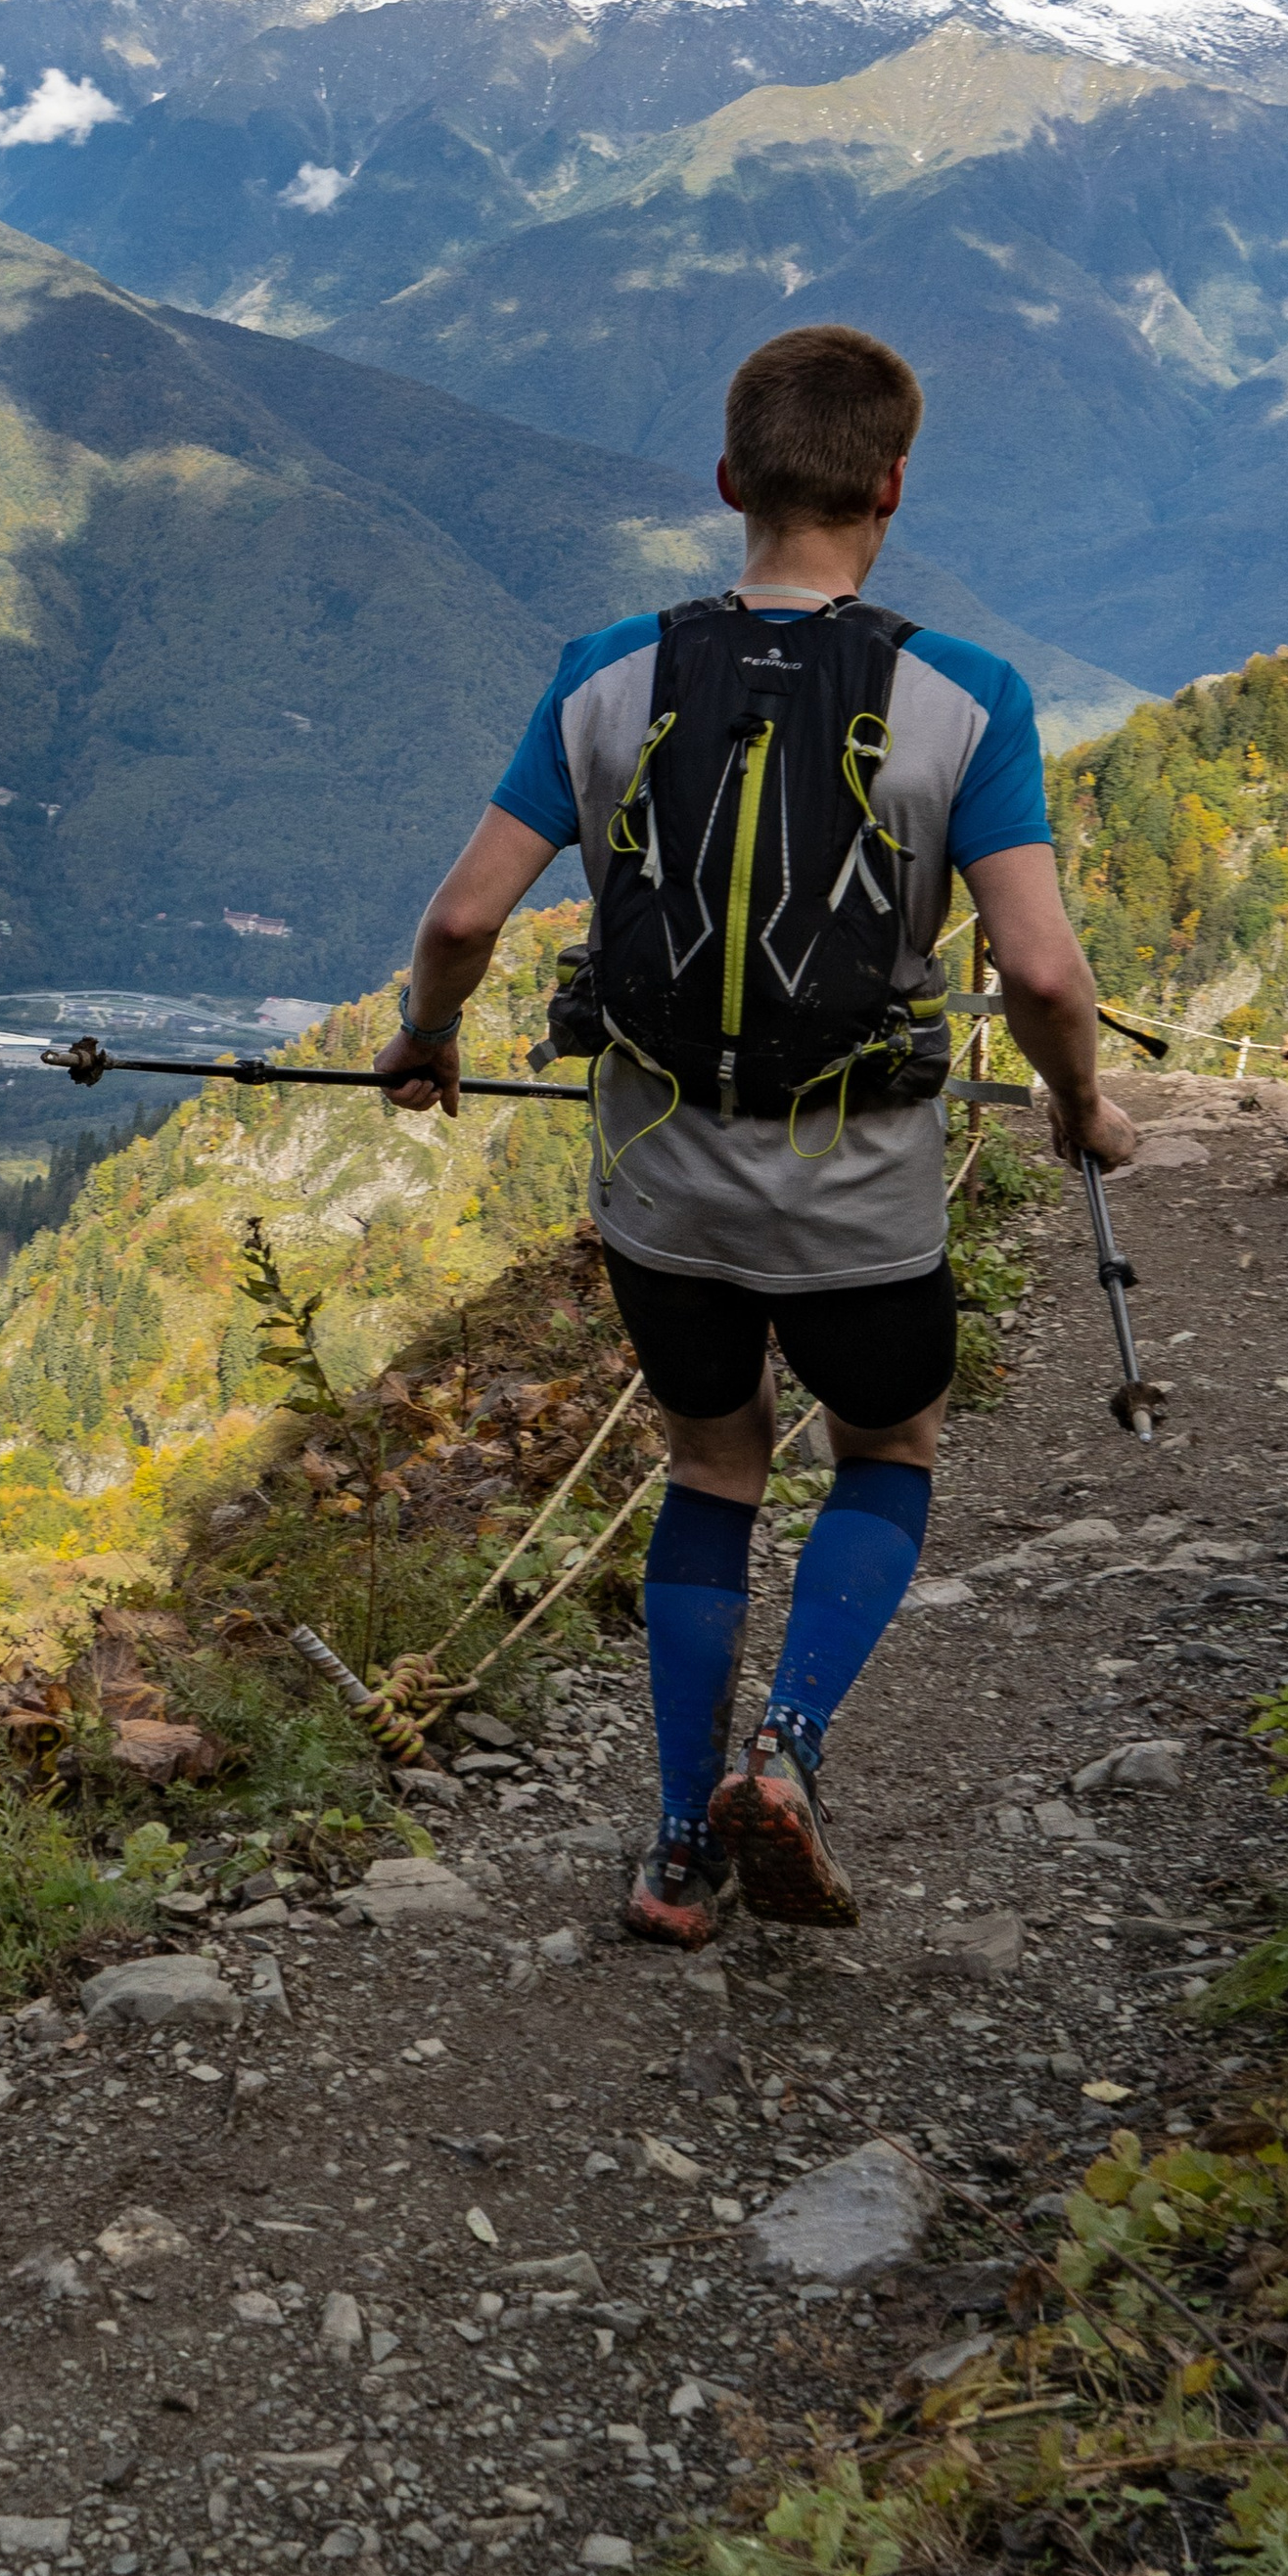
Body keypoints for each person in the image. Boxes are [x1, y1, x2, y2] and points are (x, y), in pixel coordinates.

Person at [375, 322, 1136, 1940]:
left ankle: (673, 1847)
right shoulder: (969, 696)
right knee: (888, 1446)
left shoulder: (606, 670)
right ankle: (787, 1750)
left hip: (665, 1192)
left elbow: (459, 920)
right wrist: (1084, 1109)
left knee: (711, 1464)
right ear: (890, 485)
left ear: (730, 480)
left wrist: (428, 1045)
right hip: (861, 1191)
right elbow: (1046, 969)